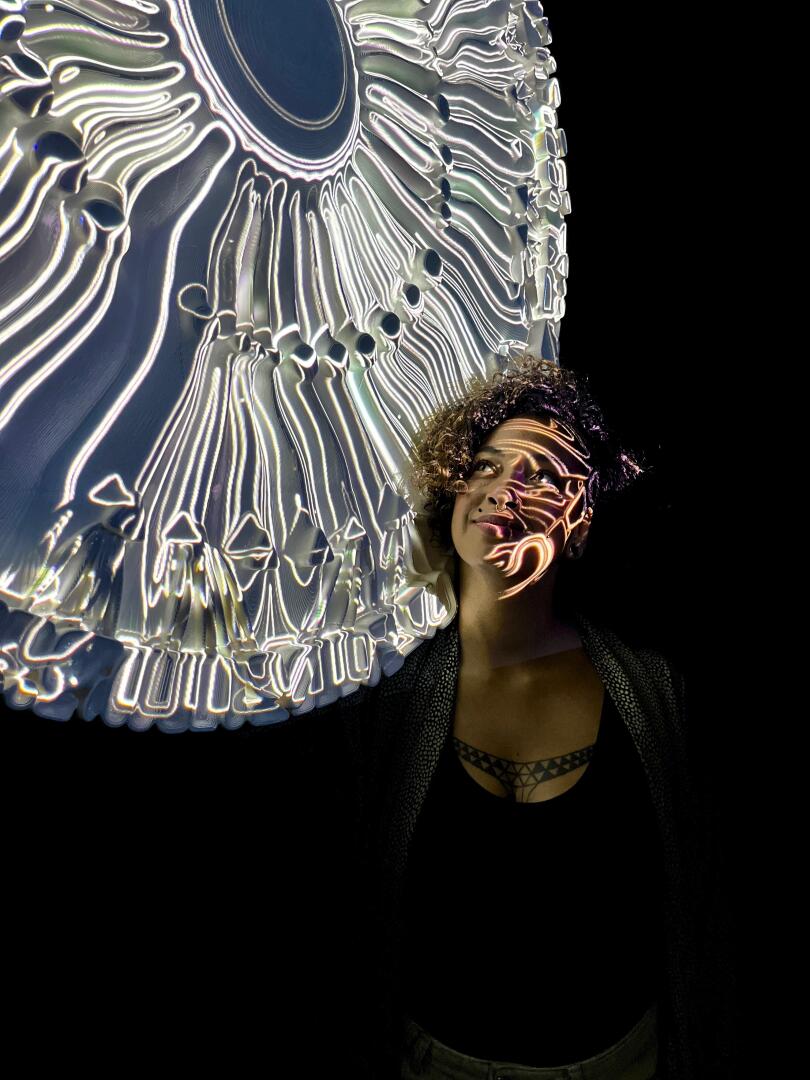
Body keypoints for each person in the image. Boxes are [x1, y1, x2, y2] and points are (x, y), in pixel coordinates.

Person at [326, 355, 735, 1080]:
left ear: (580, 527)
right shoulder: (381, 697)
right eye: (486, 465)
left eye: (542, 476)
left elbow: (703, 906)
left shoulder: (657, 693)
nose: (503, 488)